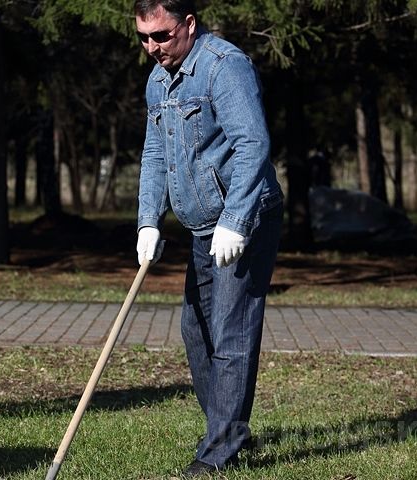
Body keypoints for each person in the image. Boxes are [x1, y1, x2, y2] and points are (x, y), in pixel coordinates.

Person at [133, 1, 284, 476]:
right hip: (201, 228)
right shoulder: (159, 80)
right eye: (143, 38)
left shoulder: (225, 66)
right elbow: (155, 152)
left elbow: (253, 144)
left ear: (189, 25)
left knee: (230, 331)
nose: (153, 48)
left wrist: (236, 220)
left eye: (161, 35)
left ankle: (220, 451)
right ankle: (228, 429)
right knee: (195, 331)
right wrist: (148, 221)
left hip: (246, 220)